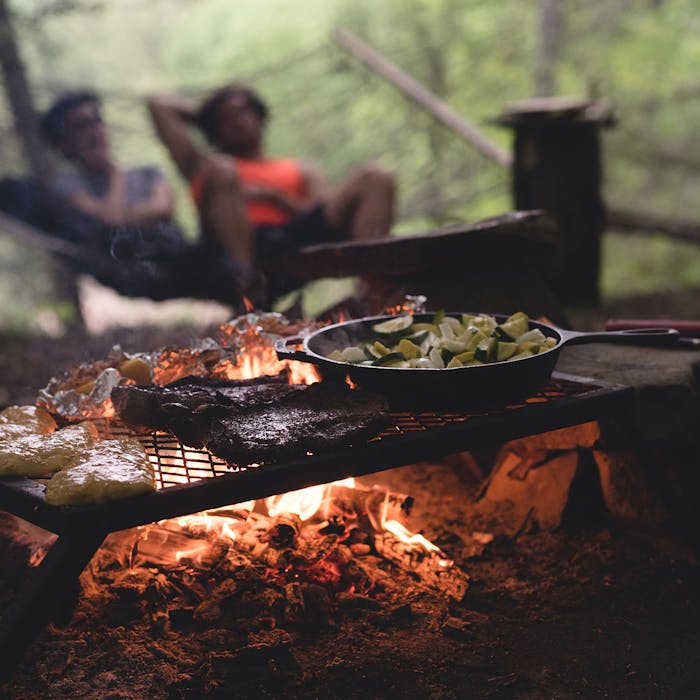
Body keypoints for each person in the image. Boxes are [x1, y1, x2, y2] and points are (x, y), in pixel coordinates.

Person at [146, 83, 396, 297]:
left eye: (243, 110)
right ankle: (249, 288)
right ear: (214, 130)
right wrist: (206, 114)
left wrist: (273, 197)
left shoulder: (300, 169)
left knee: (376, 176)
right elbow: (158, 105)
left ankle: (370, 291)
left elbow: (323, 211)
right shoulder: (203, 167)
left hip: (295, 237)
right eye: (225, 118)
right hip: (234, 250)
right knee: (224, 170)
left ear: (260, 116)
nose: (236, 119)